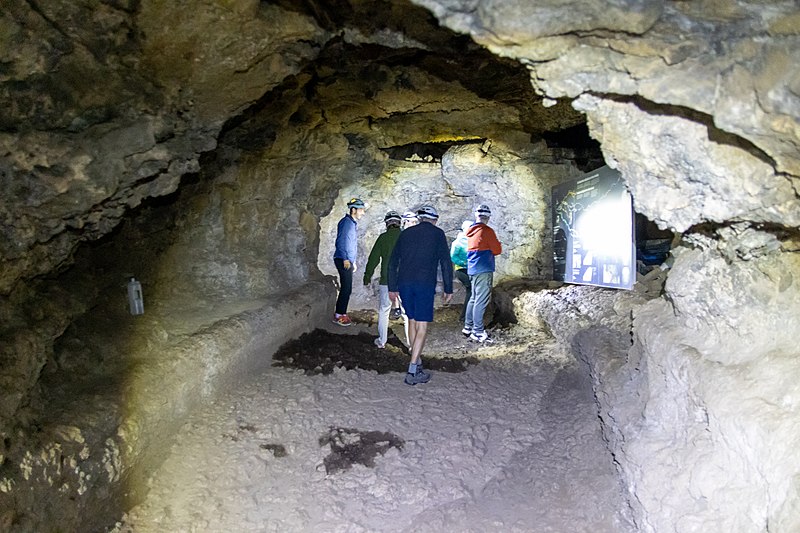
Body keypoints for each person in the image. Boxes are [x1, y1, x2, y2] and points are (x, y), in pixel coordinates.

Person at [388, 205, 454, 385]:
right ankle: (412, 371)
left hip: (404, 284)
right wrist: (448, 288)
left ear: (419, 218)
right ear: (434, 219)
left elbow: (393, 262)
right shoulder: (438, 234)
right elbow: (446, 263)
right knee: (422, 327)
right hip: (424, 285)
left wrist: (392, 287)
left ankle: (415, 358)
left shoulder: (406, 233)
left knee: (411, 319)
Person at [363, 210, 407, 348]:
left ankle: (382, 341)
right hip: (405, 281)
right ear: (399, 223)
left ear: (387, 223)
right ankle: (412, 345)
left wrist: (367, 275)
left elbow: (373, 259)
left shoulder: (383, 238)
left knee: (384, 311)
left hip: (387, 280)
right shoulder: (406, 237)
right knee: (407, 314)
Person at [463, 204, 502, 343]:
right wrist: (498, 244)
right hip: (483, 269)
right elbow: (497, 250)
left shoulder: (471, 231)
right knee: (481, 299)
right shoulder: (487, 231)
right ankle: (478, 332)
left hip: (473, 269)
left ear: (476, 216)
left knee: (473, 298)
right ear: (488, 217)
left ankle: (468, 326)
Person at [332, 197, 365, 326]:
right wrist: (346, 258)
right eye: (361, 209)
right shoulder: (346, 223)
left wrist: (353, 261)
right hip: (342, 259)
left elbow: (350, 243)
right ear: (353, 210)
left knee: (347, 287)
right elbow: (341, 241)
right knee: (346, 288)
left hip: (346, 259)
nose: (363, 212)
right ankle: (339, 315)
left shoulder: (351, 223)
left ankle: (341, 313)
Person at [450, 220, 473, 329]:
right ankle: (465, 317)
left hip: (471, 269)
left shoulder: (472, 240)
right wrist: (465, 263)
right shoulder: (458, 242)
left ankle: (467, 316)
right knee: (472, 291)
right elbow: (453, 257)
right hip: (462, 270)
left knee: (472, 291)